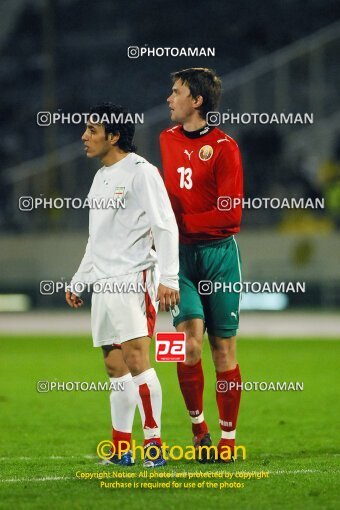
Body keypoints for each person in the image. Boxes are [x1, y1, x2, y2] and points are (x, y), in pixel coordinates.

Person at [65, 102, 179, 467]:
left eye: (92, 131)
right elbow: (96, 239)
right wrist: (80, 279)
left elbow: (165, 225)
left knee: (138, 361)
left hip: (134, 279)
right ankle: (121, 450)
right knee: (114, 366)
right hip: (104, 283)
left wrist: (169, 278)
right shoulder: (100, 177)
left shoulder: (141, 172)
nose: (84, 136)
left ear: (113, 136)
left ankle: (155, 448)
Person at [159, 68, 243, 463]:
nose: (169, 99)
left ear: (197, 101)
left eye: (176, 92)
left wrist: (175, 226)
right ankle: (199, 429)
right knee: (187, 345)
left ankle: (228, 441)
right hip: (180, 261)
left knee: (222, 349)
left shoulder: (225, 147)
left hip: (220, 258)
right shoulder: (165, 140)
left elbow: (231, 217)